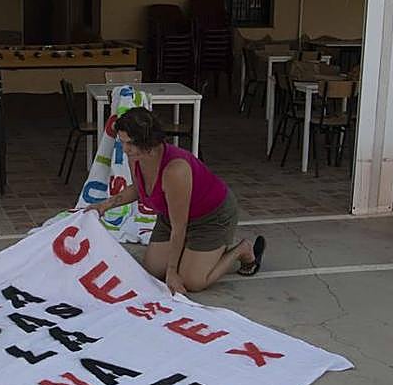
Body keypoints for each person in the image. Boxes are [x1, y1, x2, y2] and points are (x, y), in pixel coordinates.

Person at [87, 107, 265, 294]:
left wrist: (172, 271)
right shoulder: (136, 156)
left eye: (130, 143)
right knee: (154, 271)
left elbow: (180, 227)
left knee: (192, 282)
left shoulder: (175, 170)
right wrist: (104, 205)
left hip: (210, 217)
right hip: (170, 214)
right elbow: (140, 189)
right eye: (122, 142)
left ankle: (242, 249)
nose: (125, 149)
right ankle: (193, 255)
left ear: (148, 142)